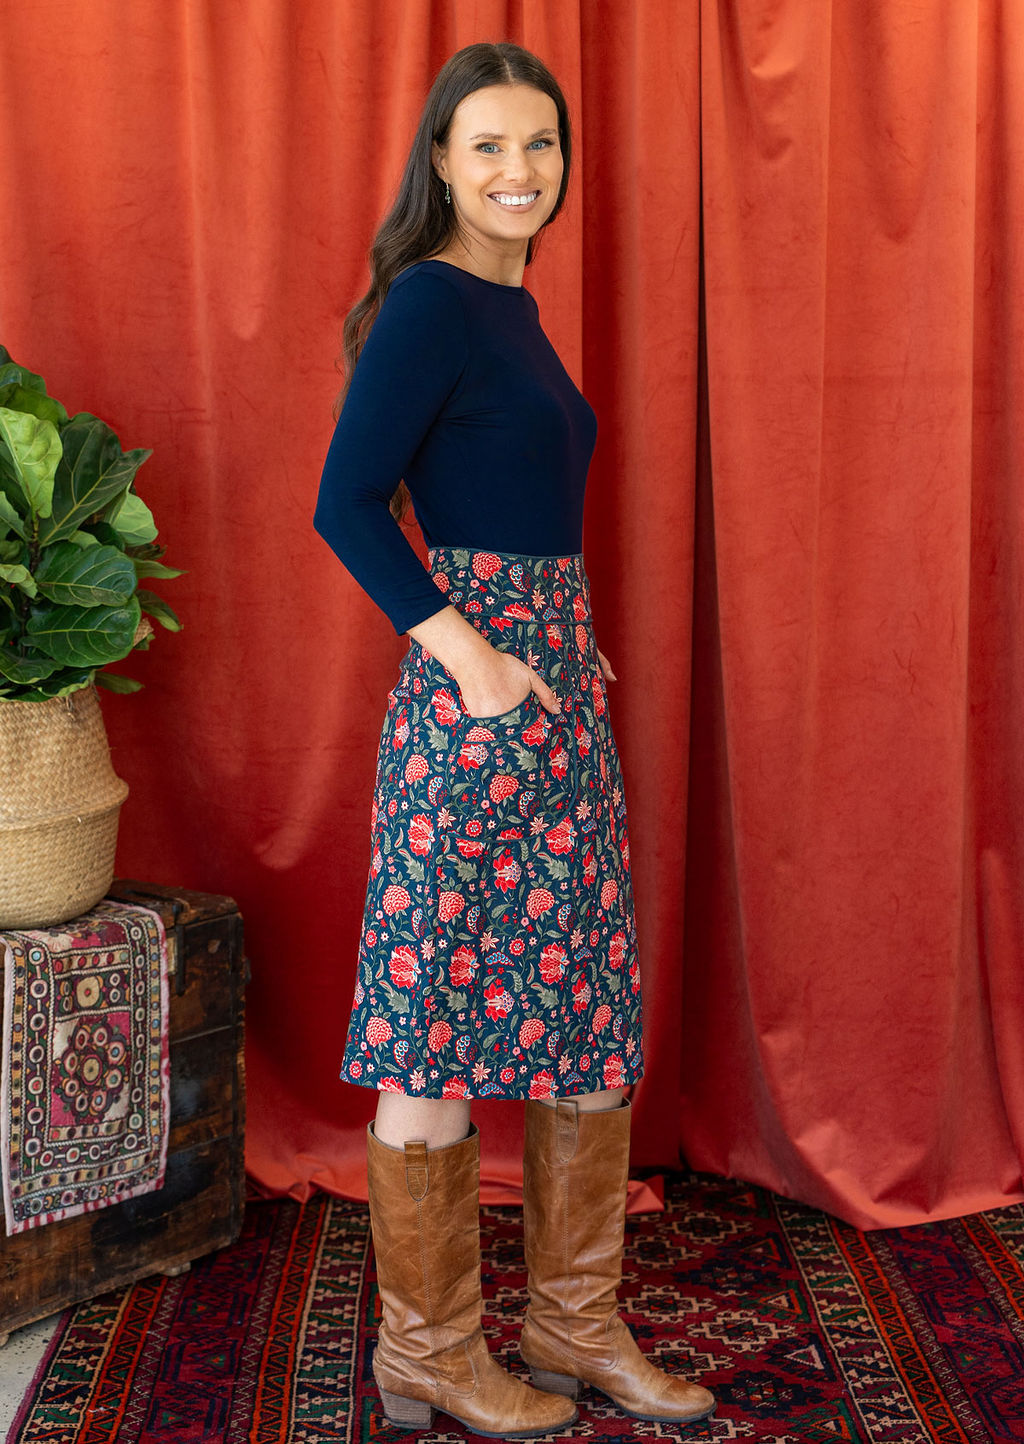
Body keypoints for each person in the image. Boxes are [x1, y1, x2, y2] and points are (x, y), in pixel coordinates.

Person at [314, 40, 716, 1438]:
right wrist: (482, 652)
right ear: (439, 161)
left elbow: (513, 493)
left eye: (538, 145)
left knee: (589, 1014)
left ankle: (573, 1326)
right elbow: (348, 505)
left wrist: (566, 635)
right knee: (432, 1029)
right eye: (486, 146)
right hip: (470, 707)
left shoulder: (513, 305)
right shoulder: (431, 303)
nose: (517, 171)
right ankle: (425, 1354)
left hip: (555, 688)